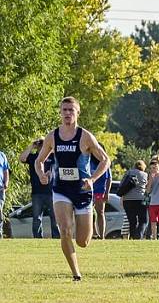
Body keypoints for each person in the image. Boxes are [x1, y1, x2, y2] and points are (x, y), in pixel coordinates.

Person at [34, 97, 110, 281]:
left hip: (83, 190)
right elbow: (39, 160)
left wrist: (92, 179)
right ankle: (76, 273)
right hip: (61, 190)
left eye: (71, 110)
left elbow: (105, 160)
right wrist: (41, 174)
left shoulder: (85, 136)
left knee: (83, 241)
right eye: (64, 110)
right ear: (60, 112)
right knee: (65, 230)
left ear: (77, 112)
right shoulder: (53, 136)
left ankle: (84, 227)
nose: (67, 113)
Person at [20, 138, 58, 238]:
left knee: (55, 217)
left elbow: (61, 156)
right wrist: (32, 146)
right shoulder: (33, 157)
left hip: (51, 192)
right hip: (37, 193)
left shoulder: (53, 156)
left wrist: (49, 145)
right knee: (37, 218)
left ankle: (57, 238)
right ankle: (37, 238)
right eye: (40, 145)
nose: (41, 147)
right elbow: (22, 158)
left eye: (43, 145)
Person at [120, 160, 149, 240]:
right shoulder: (145, 174)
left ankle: (133, 237)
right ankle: (138, 235)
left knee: (132, 221)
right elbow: (147, 187)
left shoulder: (128, 173)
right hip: (140, 199)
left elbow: (122, 185)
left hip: (127, 200)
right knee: (143, 220)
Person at [89, 156, 112, 240]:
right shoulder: (88, 161)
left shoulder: (105, 163)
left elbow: (109, 178)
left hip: (100, 191)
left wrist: (107, 193)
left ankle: (102, 236)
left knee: (100, 212)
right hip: (89, 191)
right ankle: (94, 233)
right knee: (89, 212)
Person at [0, 148, 8, 238]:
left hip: (0, 188)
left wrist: (6, 182)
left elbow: (6, 170)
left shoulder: (2, 155)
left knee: (0, 211)